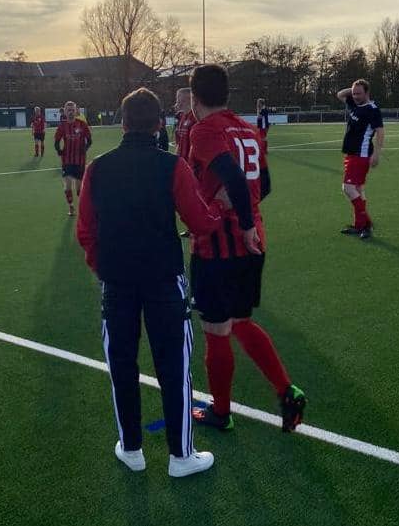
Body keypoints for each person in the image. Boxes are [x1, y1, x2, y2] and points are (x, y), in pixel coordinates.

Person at [77, 87, 224, 477]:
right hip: (163, 281)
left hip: (117, 283)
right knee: (174, 365)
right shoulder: (172, 167)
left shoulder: (97, 168)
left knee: (121, 365)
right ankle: (181, 456)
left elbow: (85, 231)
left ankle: (132, 448)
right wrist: (221, 211)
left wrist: (104, 268)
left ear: (122, 123)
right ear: (160, 123)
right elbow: (200, 222)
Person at [187, 64, 306, 433]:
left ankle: (221, 412)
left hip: (219, 246)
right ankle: (288, 390)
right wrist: (250, 221)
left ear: (194, 97)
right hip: (252, 245)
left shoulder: (204, 130)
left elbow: (235, 179)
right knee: (240, 322)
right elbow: (263, 185)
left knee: (216, 328)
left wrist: (233, 216)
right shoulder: (249, 129)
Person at [336, 79, 384, 240]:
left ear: (367, 93)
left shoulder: (372, 109)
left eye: (359, 93)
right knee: (357, 189)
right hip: (351, 154)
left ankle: (365, 224)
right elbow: (340, 94)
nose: (355, 96)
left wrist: (377, 154)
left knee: (348, 188)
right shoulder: (353, 103)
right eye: (354, 93)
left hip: (361, 154)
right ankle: (360, 225)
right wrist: (352, 90)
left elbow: (380, 132)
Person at [54, 101, 92, 216]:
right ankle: (71, 207)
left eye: (72, 110)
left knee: (79, 188)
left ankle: (82, 206)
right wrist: (59, 150)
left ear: (76, 111)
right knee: (67, 185)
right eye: (68, 110)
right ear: (65, 111)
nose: (70, 112)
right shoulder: (62, 126)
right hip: (67, 160)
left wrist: (84, 149)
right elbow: (56, 141)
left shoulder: (82, 124)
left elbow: (90, 141)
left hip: (79, 160)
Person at [174, 88, 198, 238]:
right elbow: (179, 142)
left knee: (193, 198)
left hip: (192, 166)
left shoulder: (195, 118)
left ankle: (195, 227)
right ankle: (191, 227)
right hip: (182, 165)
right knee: (183, 199)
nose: (177, 101)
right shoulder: (183, 117)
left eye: (179, 98)